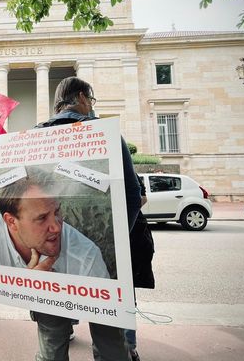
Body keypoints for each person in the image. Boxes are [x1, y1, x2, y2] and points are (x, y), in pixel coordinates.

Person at [32, 76, 143, 361]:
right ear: (81, 97)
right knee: (109, 343)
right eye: (91, 101)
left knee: (52, 341)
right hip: (101, 274)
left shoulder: (33, 137)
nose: (91, 107)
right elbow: (132, 196)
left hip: (47, 269)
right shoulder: (103, 133)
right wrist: (115, 243)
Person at [0, 168, 109, 278]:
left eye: (57, 211)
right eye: (42, 218)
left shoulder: (86, 257)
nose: (57, 228)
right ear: (11, 222)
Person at [125, 176, 155, 361]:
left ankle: (128, 345)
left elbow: (140, 198)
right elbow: (141, 198)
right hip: (129, 234)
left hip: (128, 237)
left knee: (123, 293)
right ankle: (128, 346)